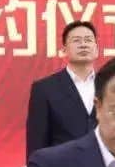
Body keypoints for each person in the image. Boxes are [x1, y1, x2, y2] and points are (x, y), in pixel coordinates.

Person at [25, 20, 98, 159]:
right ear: (64, 50)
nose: (83, 44)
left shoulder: (109, 85)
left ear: (96, 49)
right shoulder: (44, 89)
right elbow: (36, 142)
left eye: (88, 40)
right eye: (76, 40)